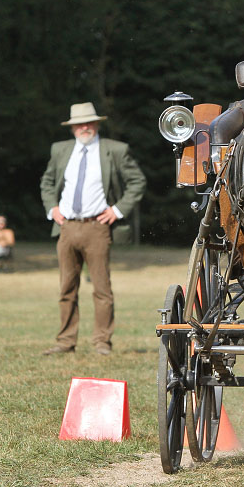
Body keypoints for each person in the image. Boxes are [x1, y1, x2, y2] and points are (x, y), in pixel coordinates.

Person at [39, 102, 146, 356]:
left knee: (101, 288)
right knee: (66, 288)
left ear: (97, 124)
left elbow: (137, 181)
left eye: (89, 122)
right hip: (66, 227)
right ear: (73, 127)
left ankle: (102, 342)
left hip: (97, 227)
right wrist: (52, 208)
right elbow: (47, 181)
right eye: (79, 123)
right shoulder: (60, 150)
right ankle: (65, 342)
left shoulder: (115, 150)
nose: (84, 127)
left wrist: (117, 210)